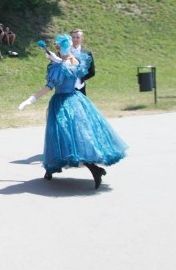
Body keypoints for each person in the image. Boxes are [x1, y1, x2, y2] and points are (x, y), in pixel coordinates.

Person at [18, 35, 127, 189]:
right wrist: (31, 99)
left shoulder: (67, 62)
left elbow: (62, 79)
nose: (63, 49)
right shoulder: (63, 63)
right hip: (67, 101)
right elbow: (58, 81)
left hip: (67, 101)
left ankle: (94, 169)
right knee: (60, 136)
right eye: (62, 46)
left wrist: (58, 61)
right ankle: (51, 169)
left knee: (71, 136)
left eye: (64, 46)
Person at [70, 28, 95, 95]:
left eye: (77, 37)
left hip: (80, 89)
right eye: (73, 37)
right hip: (65, 89)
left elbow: (91, 72)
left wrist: (80, 78)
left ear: (82, 38)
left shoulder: (87, 54)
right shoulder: (63, 53)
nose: (75, 39)